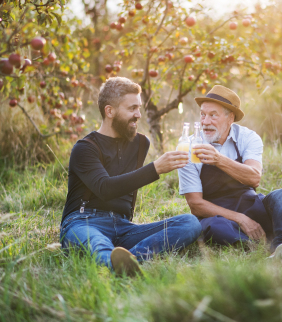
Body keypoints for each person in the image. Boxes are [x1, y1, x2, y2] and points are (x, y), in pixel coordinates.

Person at [60, 77, 201, 277]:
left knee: (190, 223)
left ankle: (129, 259)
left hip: (124, 227)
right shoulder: (85, 148)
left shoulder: (140, 144)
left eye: (139, 108)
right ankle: (113, 263)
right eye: (132, 108)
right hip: (83, 222)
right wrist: (156, 169)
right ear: (109, 111)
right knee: (98, 244)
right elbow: (105, 188)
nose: (138, 115)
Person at [178, 85, 282, 260]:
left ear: (230, 118)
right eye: (203, 115)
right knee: (213, 227)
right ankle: (265, 241)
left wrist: (218, 159)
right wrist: (240, 219)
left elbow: (254, 177)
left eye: (213, 115)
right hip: (217, 215)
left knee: (281, 196)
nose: (205, 122)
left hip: (250, 205)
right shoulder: (188, 147)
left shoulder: (248, 138)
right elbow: (196, 204)